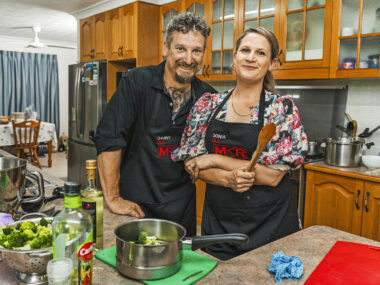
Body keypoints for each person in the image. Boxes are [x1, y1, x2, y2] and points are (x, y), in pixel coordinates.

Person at [172, 27, 308, 260]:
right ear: (235, 57)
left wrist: (214, 159)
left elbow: (273, 176)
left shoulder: (281, 110)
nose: (251, 57)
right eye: (245, 50)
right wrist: (227, 179)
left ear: (272, 63)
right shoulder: (207, 105)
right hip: (220, 228)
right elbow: (194, 166)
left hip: (272, 227)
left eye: (261, 53)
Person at [94, 13, 216, 236]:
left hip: (182, 209)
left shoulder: (208, 97)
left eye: (196, 51)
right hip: (134, 206)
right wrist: (112, 198)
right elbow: (110, 137)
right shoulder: (136, 82)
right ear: (165, 48)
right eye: (181, 49)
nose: (189, 59)